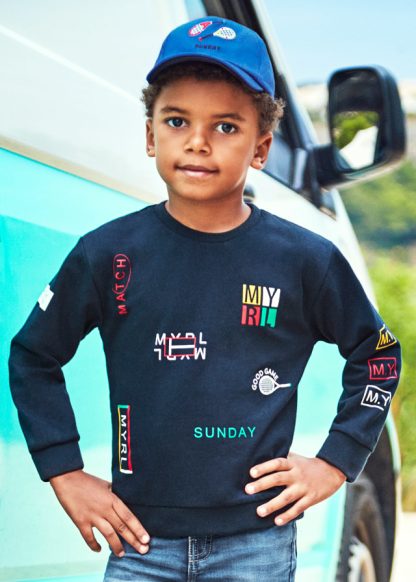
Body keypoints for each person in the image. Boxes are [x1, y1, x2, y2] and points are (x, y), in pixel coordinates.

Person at [8, 15, 401, 582]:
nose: (197, 141)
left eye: (225, 126)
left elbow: (378, 353)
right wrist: (63, 470)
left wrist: (335, 462)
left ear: (261, 147)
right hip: (140, 543)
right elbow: (33, 355)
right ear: (150, 135)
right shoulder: (107, 254)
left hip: (257, 543)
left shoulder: (305, 260)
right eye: (177, 121)